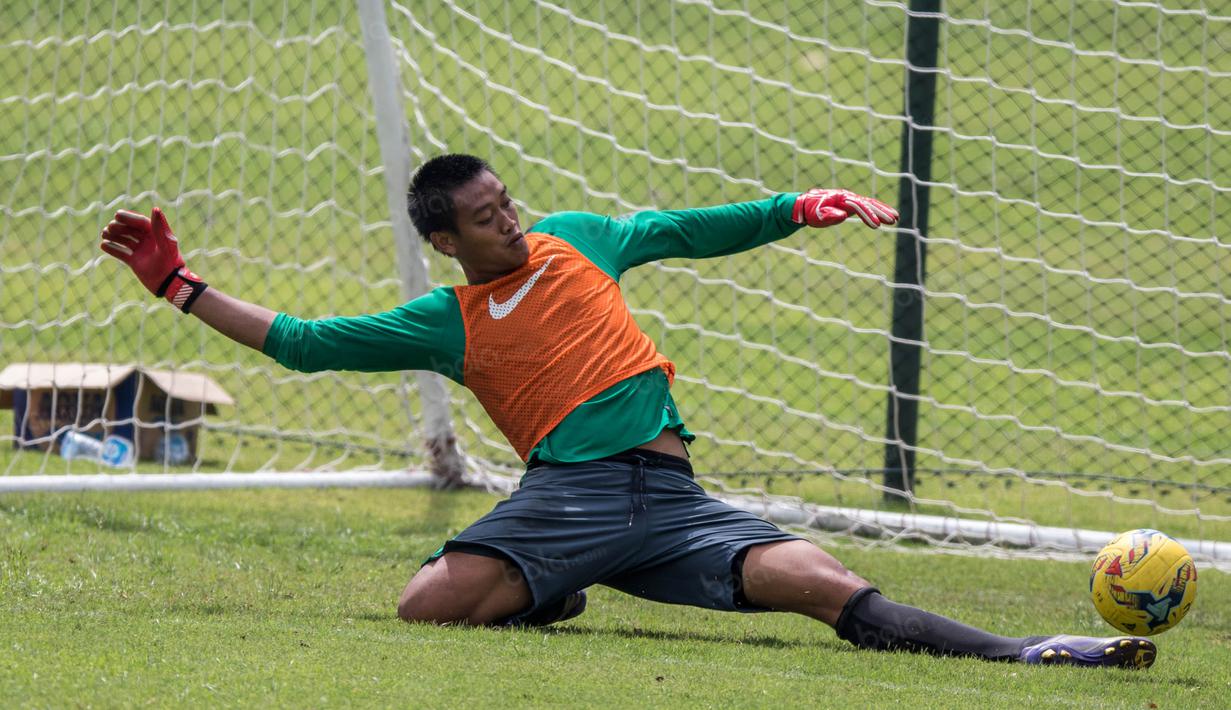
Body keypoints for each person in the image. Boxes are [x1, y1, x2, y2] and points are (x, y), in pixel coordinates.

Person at [100, 153, 1156, 669]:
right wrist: (177, 285)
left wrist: (799, 207)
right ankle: (547, 587)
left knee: (831, 588)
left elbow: (687, 229)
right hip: (567, 499)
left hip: (674, 499)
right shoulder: (444, 317)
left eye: (507, 201)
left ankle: (1031, 651)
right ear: (448, 240)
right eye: (484, 217)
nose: (509, 221)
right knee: (426, 605)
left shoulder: (576, 238)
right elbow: (302, 341)